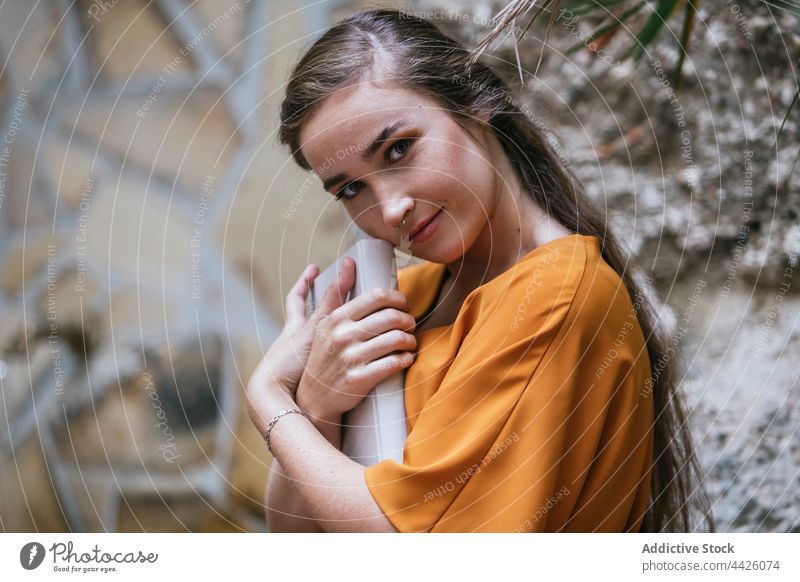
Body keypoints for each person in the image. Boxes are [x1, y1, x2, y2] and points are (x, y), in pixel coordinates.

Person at [245, 8, 712, 533]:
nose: (391, 208)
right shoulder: (404, 298)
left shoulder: (555, 294)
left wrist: (269, 396)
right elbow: (295, 534)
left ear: (474, 103)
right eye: (352, 188)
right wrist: (316, 403)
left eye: (398, 149)